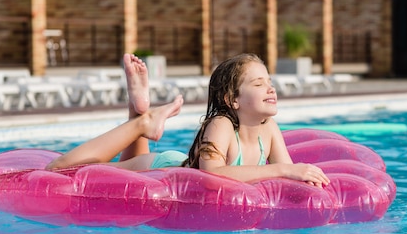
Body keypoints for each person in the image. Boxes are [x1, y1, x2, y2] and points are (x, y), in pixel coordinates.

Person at [46, 53, 329, 187]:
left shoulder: (269, 129)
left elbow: (292, 175)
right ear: (233, 100)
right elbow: (212, 174)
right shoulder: (221, 124)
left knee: (121, 165)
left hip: (175, 164)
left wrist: (297, 174)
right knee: (59, 170)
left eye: (269, 81)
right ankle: (141, 123)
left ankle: (139, 107)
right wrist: (282, 171)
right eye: (258, 84)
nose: (270, 88)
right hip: (161, 167)